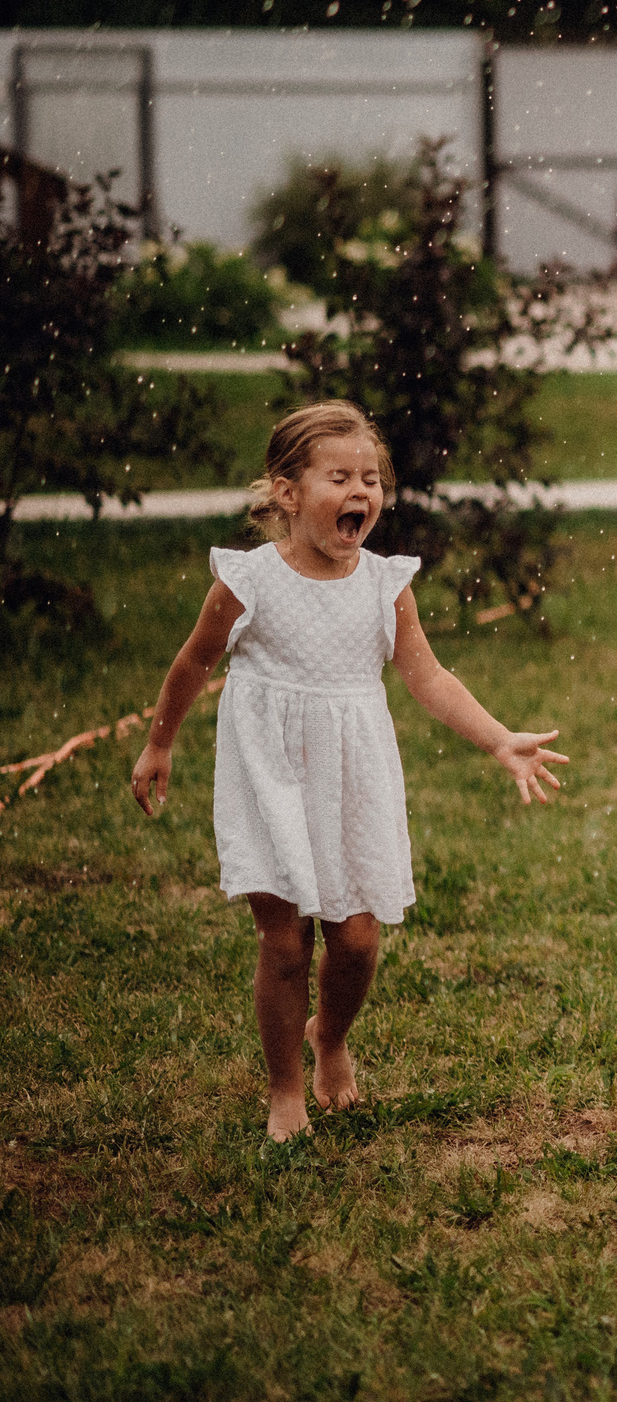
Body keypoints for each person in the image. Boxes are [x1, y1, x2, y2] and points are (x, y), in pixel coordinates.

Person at [130, 401, 567, 1143]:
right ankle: (284, 1088)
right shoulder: (250, 579)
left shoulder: (384, 583)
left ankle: (328, 1035)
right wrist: (159, 743)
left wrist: (498, 739)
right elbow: (194, 661)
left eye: (371, 477)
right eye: (340, 476)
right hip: (270, 774)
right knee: (286, 942)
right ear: (289, 492)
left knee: (358, 940)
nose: (361, 490)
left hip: (354, 775)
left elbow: (427, 676)